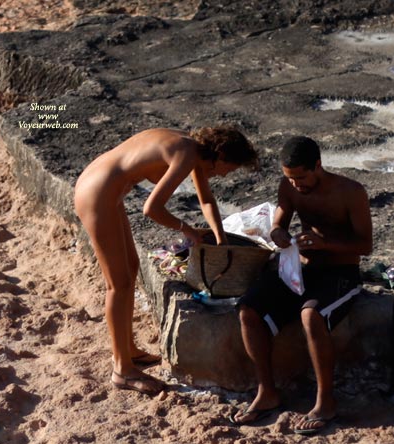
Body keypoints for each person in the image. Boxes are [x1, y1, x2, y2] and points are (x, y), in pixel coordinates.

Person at [73, 127, 259, 395]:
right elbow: (152, 208)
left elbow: (206, 199)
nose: (223, 175)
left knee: (131, 269)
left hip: (105, 187)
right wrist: (189, 230)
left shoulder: (193, 149)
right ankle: (121, 371)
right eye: (225, 169)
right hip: (96, 192)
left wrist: (220, 236)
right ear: (219, 154)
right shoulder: (185, 153)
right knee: (118, 284)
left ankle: (128, 350)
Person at [233, 136, 372, 434]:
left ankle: (325, 402)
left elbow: (365, 245)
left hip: (341, 272)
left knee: (311, 315)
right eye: (289, 178)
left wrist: (326, 244)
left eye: (301, 177)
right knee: (248, 308)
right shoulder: (289, 187)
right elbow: (278, 224)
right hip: (303, 268)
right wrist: (278, 233)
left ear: (318, 166)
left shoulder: (351, 192)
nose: (295, 184)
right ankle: (267, 392)